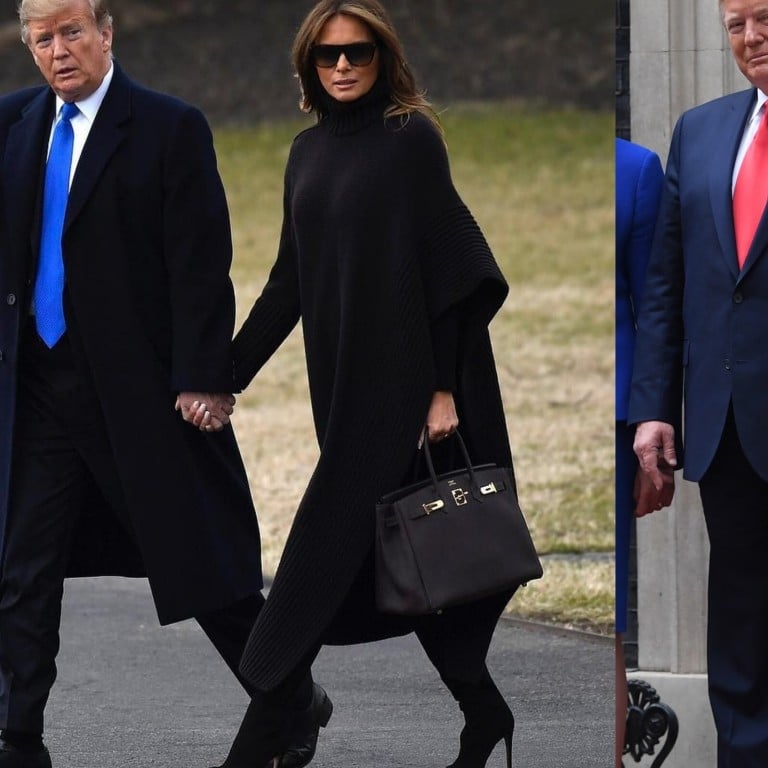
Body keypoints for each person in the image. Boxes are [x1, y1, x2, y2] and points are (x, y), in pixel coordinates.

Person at [189, 1, 519, 766]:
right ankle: (485, 714)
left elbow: (455, 270)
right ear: (308, 64)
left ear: (383, 58)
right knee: (420, 573)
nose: (343, 66)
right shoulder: (304, 154)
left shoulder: (410, 140)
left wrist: (442, 392)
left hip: (409, 401)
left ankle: (267, 739)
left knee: (297, 604)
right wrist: (222, 380)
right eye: (328, 55)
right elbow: (287, 286)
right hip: (343, 404)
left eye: (359, 53)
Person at [0, 2, 323, 767]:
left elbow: (200, 262)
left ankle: (288, 694)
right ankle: (18, 738)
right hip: (41, 392)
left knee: (199, 565)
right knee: (22, 570)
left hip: (141, 395)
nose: (59, 50)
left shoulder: (168, 127)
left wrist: (205, 377)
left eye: (72, 32)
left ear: (107, 33)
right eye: (42, 38)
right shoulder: (12, 124)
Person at [629, 0, 768, 764]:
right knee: (742, 628)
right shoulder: (702, 129)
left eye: (765, 18)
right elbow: (666, 285)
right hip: (729, 426)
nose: (751, 38)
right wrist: (653, 407)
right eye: (736, 24)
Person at [614, 136, 674, 767]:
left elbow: (653, 304)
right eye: (734, 23)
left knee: (610, 620)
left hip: (616, 415)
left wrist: (645, 423)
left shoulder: (636, 169)